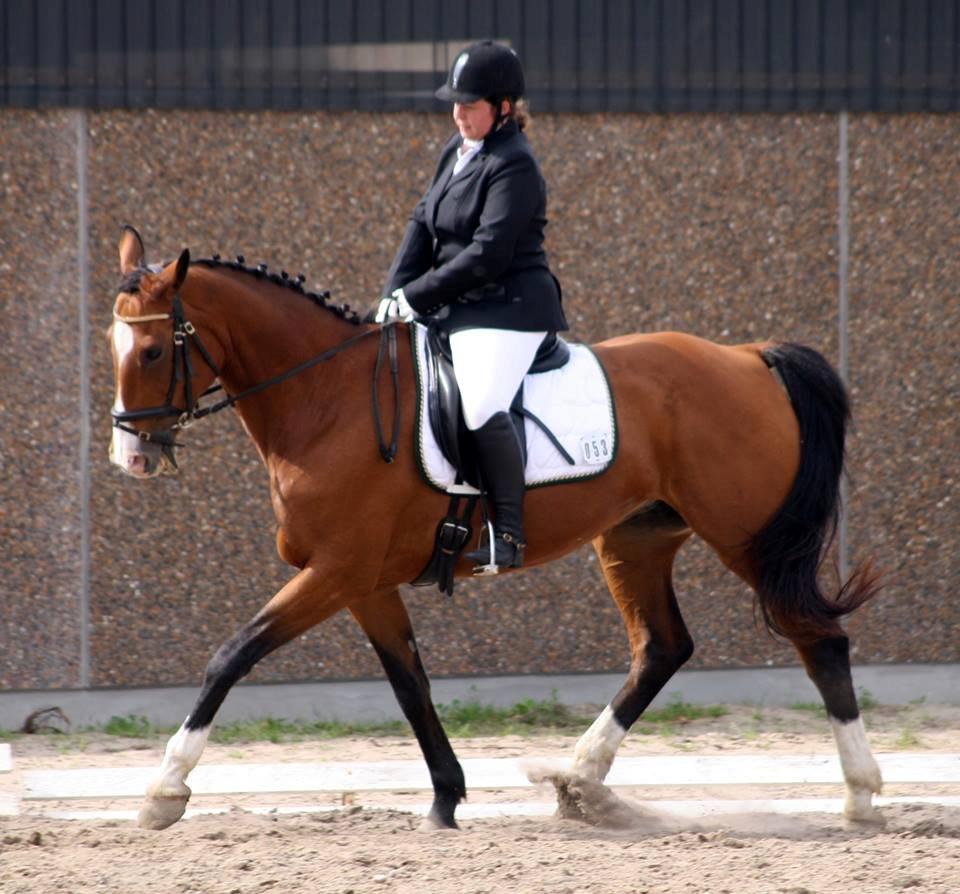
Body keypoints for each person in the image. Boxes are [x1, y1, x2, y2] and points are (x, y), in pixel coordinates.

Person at [378, 40, 568, 571]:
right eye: (455, 103)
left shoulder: (516, 165)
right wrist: (392, 291)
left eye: (471, 104)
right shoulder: (458, 149)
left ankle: (508, 533)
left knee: (482, 404)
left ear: (504, 107)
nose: (458, 113)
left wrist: (415, 296)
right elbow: (422, 222)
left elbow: (488, 255)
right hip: (460, 305)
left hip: (510, 308)